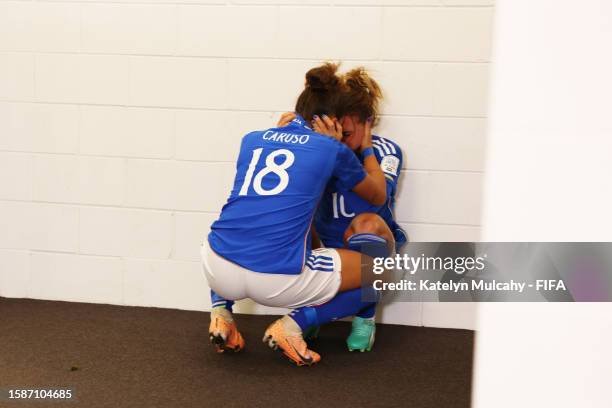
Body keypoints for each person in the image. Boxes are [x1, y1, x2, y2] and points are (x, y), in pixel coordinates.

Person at [201, 63, 394, 366]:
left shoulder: (252, 138)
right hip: (276, 280)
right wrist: (358, 148)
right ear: (332, 120)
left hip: (215, 266)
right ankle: (293, 326)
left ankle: (221, 314)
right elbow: (378, 195)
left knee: (242, 225)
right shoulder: (332, 149)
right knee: (380, 271)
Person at [276, 68, 407, 353]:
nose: (343, 140)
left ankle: (365, 317)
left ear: (368, 123)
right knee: (297, 219)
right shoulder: (321, 147)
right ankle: (306, 308)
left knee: (367, 223)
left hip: (368, 243)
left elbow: (377, 201)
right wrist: (286, 140)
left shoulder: (386, 150)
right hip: (327, 243)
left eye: (347, 133)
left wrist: (341, 154)